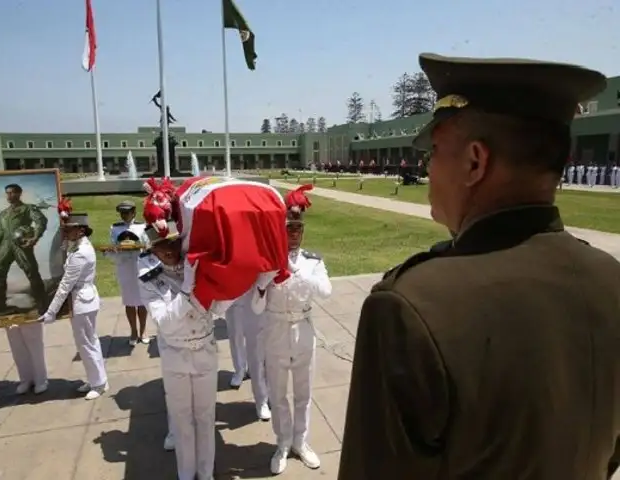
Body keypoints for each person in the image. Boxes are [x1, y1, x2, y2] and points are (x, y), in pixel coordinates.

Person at [338, 52, 620, 480]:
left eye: (434, 151)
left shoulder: (410, 308)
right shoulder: (611, 282)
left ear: (474, 162)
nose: (428, 168)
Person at [253, 186, 332, 475]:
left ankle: (301, 440)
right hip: (275, 331)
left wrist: (297, 271)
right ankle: (283, 443)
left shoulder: (312, 261)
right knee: (278, 393)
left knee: (303, 392)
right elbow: (256, 308)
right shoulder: (268, 262)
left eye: (298, 227)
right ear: (280, 229)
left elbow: (326, 291)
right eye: (289, 227)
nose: (295, 232)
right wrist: (263, 283)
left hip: (303, 330)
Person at [137, 220, 217, 480]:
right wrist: (187, 291)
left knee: (205, 419)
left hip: (204, 351)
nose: (169, 250)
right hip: (175, 356)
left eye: (173, 242)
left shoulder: (198, 270)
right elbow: (165, 323)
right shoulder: (151, 281)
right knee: (182, 421)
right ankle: (186, 475)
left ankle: (205, 474)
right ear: (153, 250)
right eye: (161, 245)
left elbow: (218, 309)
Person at [38, 212, 108, 401]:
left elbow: (65, 285)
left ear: (81, 230)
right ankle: (98, 379)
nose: (66, 232)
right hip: (83, 299)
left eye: (69, 229)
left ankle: (98, 384)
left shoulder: (81, 253)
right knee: (89, 342)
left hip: (82, 302)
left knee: (86, 343)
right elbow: (64, 251)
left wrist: (51, 311)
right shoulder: (77, 246)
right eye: (65, 229)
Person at [0, 183, 48, 315]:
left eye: (12, 192)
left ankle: (42, 303)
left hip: (21, 245)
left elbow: (41, 221)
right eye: (7, 193)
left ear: (19, 193)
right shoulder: (4, 214)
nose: (9, 195)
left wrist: (35, 237)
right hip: (5, 246)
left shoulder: (27, 209)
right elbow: (0, 231)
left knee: (32, 272)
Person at [104, 200, 149, 346]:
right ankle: (133, 331)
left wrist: (139, 246)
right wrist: (114, 249)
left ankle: (143, 330)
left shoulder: (142, 226)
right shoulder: (115, 228)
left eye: (127, 212)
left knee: (142, 301)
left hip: (139, 265)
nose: (124, 215)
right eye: (122, 213)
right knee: (129, 302)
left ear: (134, 213)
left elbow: (148, 245)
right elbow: (112, 244)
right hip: (125, 267)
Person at [224, 288, 271, 420]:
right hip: (233, 292)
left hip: (256, 292)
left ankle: (264, 396)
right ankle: (240, 369)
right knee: (235, 333)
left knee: (260, 349)